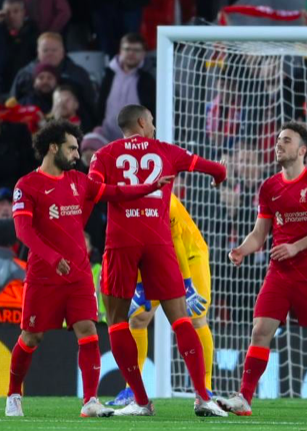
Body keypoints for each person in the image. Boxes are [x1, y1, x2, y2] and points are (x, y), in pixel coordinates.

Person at [5, 120, 174, 418]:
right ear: (53, 147)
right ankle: (14, 394)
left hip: (79, 274)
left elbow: (115, 191)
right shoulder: (26, 185)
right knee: (31, 337)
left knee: (89, 331)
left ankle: (90, 400)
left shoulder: (79, 181)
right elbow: (23, 231)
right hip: (43, 276)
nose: (76, 155)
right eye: (71, 148)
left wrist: (150, 187)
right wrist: (52, 258)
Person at [88, 104, 227, 417]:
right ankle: (203, 396)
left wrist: (129, 191)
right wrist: (219, 175)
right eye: (151, 121)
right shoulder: (166, 151)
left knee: (118, 322)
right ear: (141, 122)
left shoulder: (104, 155)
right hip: (159, 242)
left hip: (121, 242)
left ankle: (140, 400)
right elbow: (215, 169)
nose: (153, 127)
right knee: (181, 319)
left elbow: (93, 191)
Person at [216, 122, 307, 417]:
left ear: (302, 150)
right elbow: (259, 233)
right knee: (260, 330)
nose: (279, 144)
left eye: (286, 140)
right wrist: (242, 249)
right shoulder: (269, 187)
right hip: (279, 273)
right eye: (278, 140)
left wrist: (295, 247)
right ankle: (244, 397)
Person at [107, 192, 216, 407]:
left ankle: (206, 388)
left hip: (190, 257)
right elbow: (132, 247)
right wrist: (138, 287)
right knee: (138, 319)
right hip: (158, 259)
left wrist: (187, 285)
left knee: (195, 318)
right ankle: (132, 390)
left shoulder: (165, 203)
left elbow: (177, 243)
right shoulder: (124, 204)